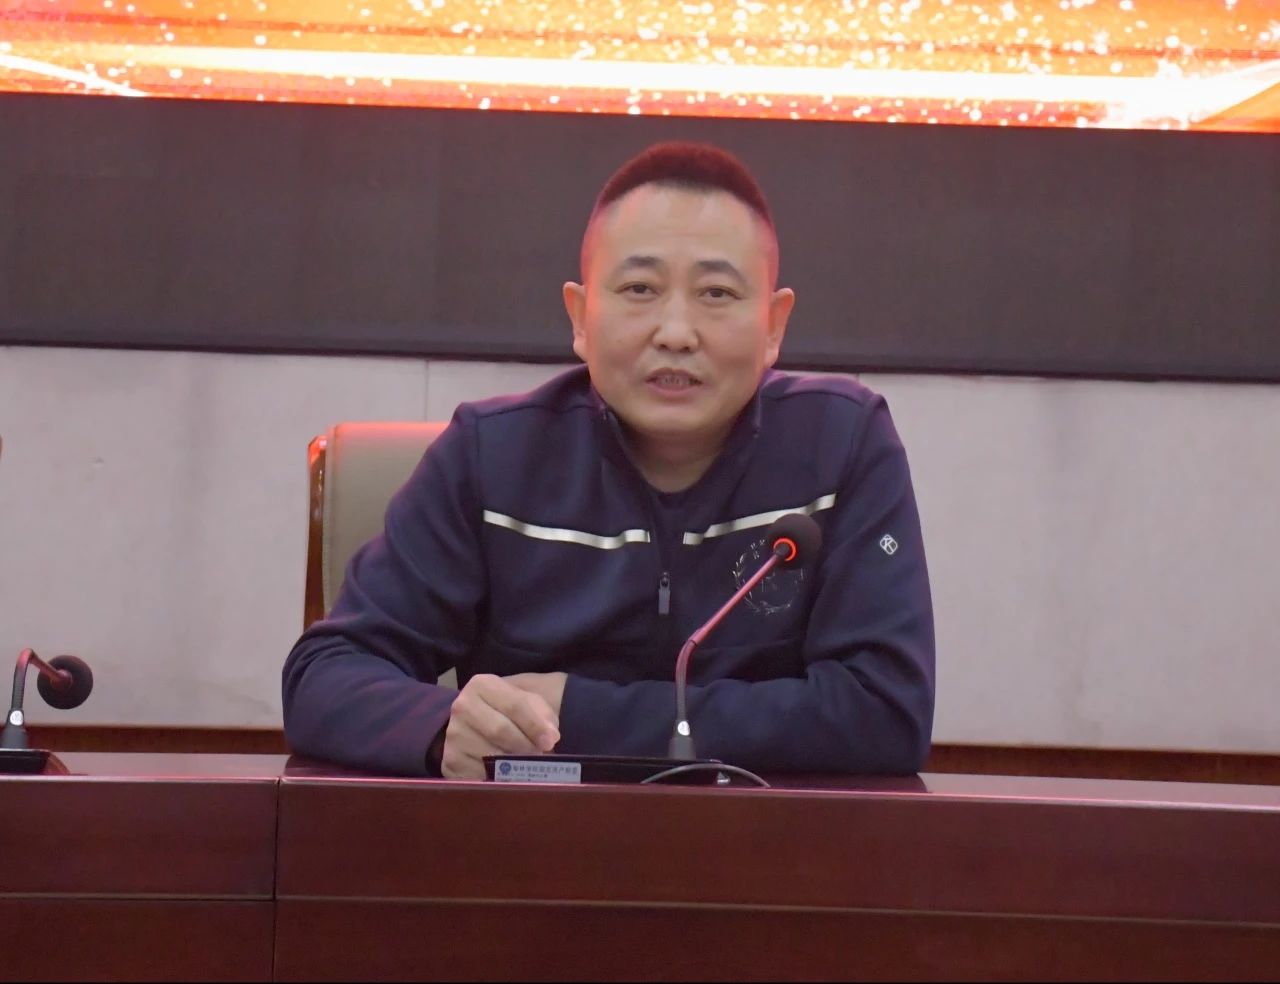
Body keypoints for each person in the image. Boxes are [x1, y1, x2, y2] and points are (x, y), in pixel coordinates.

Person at [283, 141, 935, 779]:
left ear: (773, 326)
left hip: (765, 842)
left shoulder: (842, 445)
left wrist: (578, 713)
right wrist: (442, 726)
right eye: (639, 288)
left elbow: (885, 712)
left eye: (716, 294)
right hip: (530, 840)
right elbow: (325, 675)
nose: (675, 333)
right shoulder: (491, 458)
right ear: (580, 316)